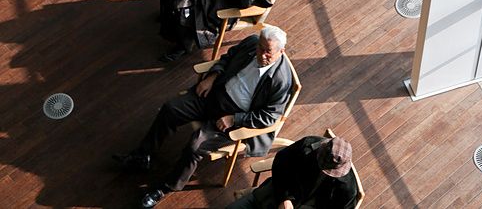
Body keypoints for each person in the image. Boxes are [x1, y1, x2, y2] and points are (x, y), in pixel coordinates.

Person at [113, 27, 292, 209]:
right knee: (170, 109)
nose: (261, 54)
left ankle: (166, 187)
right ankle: (143, 155)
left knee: (195, 146)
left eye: (268, 51)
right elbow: (228, 58)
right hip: (215, 94)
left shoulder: (281, 80)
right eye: (260, 48)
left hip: (232, 119)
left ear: (281, 51)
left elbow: (269, 116)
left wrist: (234, 119)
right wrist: (212, 77)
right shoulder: (252, 42)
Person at [225, 135, 358, 209]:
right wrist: (285, 198)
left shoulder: (347, 189)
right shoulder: (307, 145)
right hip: (274, 194)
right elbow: (280, 164)